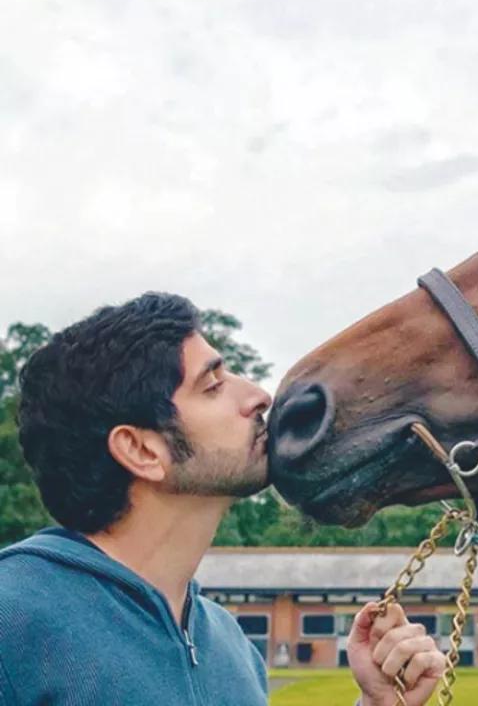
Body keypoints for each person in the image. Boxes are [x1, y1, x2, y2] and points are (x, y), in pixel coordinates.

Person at [0, 292, 445, 706]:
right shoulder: (13, 617)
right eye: (212, 386)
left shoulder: (231, 647)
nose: (258, 395)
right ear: (141, 450)